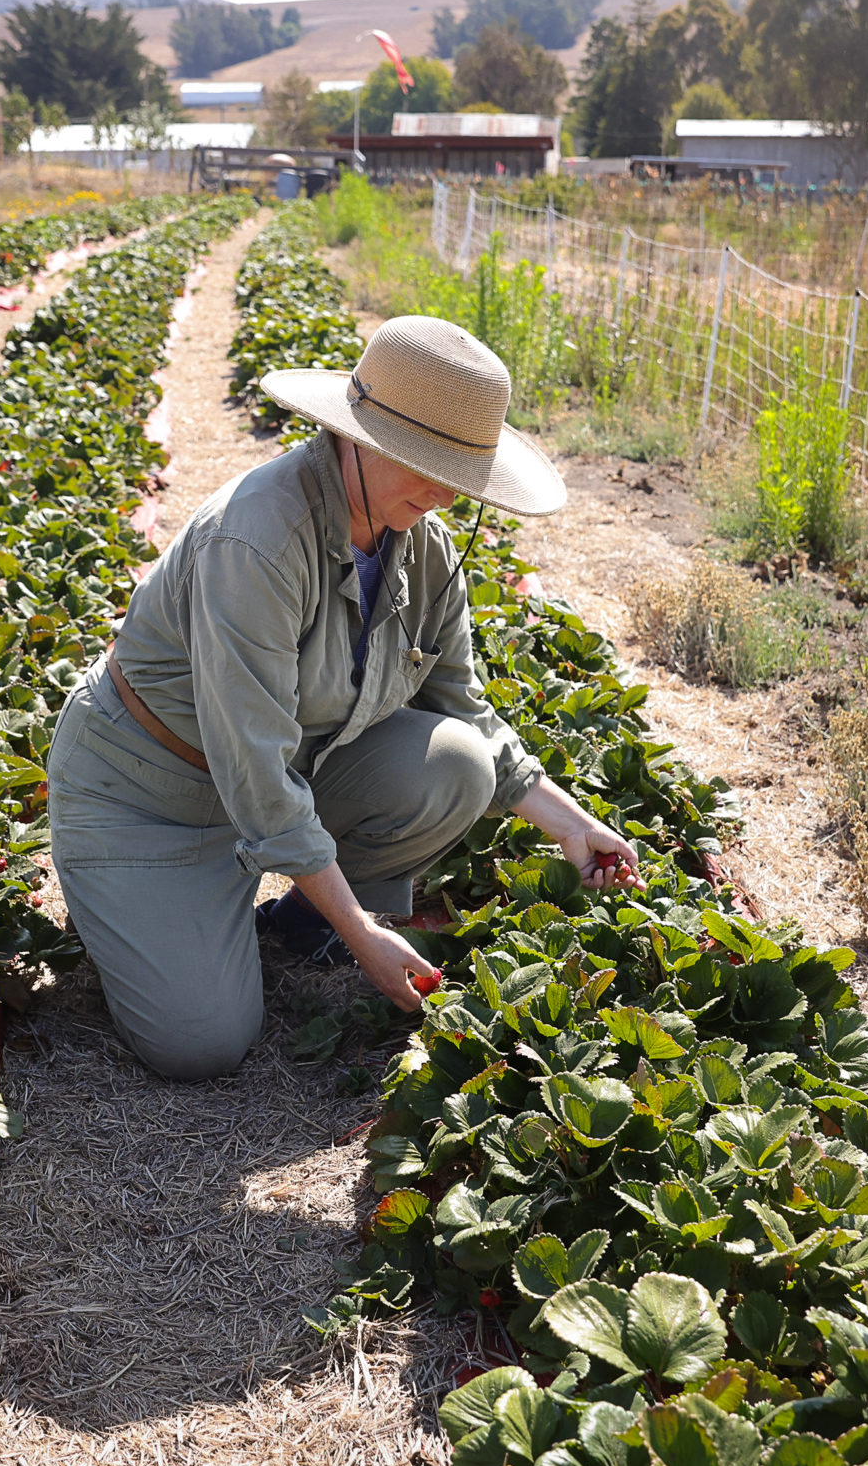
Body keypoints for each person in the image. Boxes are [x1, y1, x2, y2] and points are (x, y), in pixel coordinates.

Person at [46, 315, 643, 1080]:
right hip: (152, 794)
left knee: (457, 763)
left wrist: (572, 822)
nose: (441, 493)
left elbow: (464, 709)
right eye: (421, 463)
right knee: (202, 1043)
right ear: (355, 435)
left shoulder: (422, 545)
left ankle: (296, 918)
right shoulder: (257, 540)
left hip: (289, 769)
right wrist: (364, 931)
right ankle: (170, 902)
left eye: (459, 475)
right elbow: (255, 773)